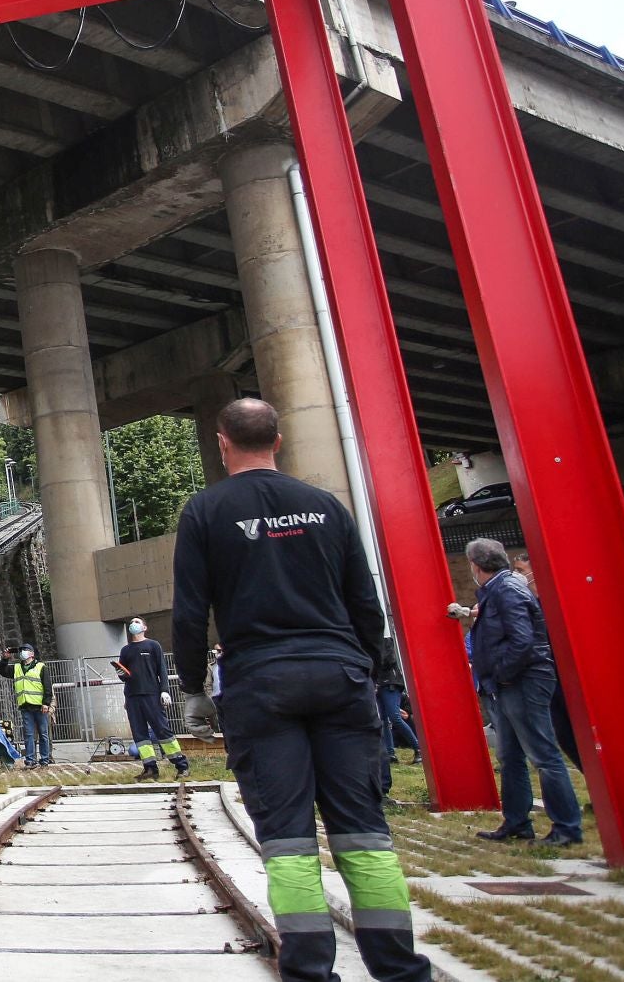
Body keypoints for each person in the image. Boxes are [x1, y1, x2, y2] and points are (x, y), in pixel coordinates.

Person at [173, 398, 431, 982]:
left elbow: (191, 611)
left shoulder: (205, 512)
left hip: (261, 684)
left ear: (221, 443)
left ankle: (311, 972)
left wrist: (192, 688)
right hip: (340, 675)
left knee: (287, 839)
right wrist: (375, 666)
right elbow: (365, 599)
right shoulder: (325, 507)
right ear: (279, 440)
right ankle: (400, 970)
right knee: (363, 831)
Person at [466, 538, 583, 846]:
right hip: (508, 682)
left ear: (476, 566)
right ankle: (517, 821)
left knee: (543, 754)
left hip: (522, 680)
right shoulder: (500, 590)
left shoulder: (507, 591)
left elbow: (523, 639)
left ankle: (567, 827)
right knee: (510, 756)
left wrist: (502, 674)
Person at [511, 553, 582, 768]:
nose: (517, 575)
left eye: (521, 571)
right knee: (564, 733)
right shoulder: (527, 604)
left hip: (566, 675)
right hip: (546, 678)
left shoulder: (555, 603)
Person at [117, 617, 188, 780]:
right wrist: (121, 674)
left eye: (136, 622)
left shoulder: (153, 645)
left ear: (144, 627)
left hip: (152, 694)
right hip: (133, 696)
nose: (133, 624)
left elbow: (162, 670)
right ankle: (150, 768)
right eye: (131, 623)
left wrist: (164, 690)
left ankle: (181, 766)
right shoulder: (125, 650)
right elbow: (124, 675)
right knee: (139, 734)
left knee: (162, 730)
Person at [377, 634, 423, 800]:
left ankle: (418, 748)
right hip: (380, 683)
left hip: (390, 683)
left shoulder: (386, 640)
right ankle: (390, 752)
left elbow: (386, 660)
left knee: (395, 717)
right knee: (382, 721)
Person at [0, 642, 54, 767]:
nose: (23, 652)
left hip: (40, 707)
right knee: (28, 735)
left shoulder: (41, 667)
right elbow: (3, 671)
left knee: (43, 734)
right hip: (25, 706)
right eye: (22, 650)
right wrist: (5, 659)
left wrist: (46, 703)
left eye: (26, 650)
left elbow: (47, 687)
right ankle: (30, 759)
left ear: (32, 654)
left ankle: (45, 759)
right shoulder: (17, 668)